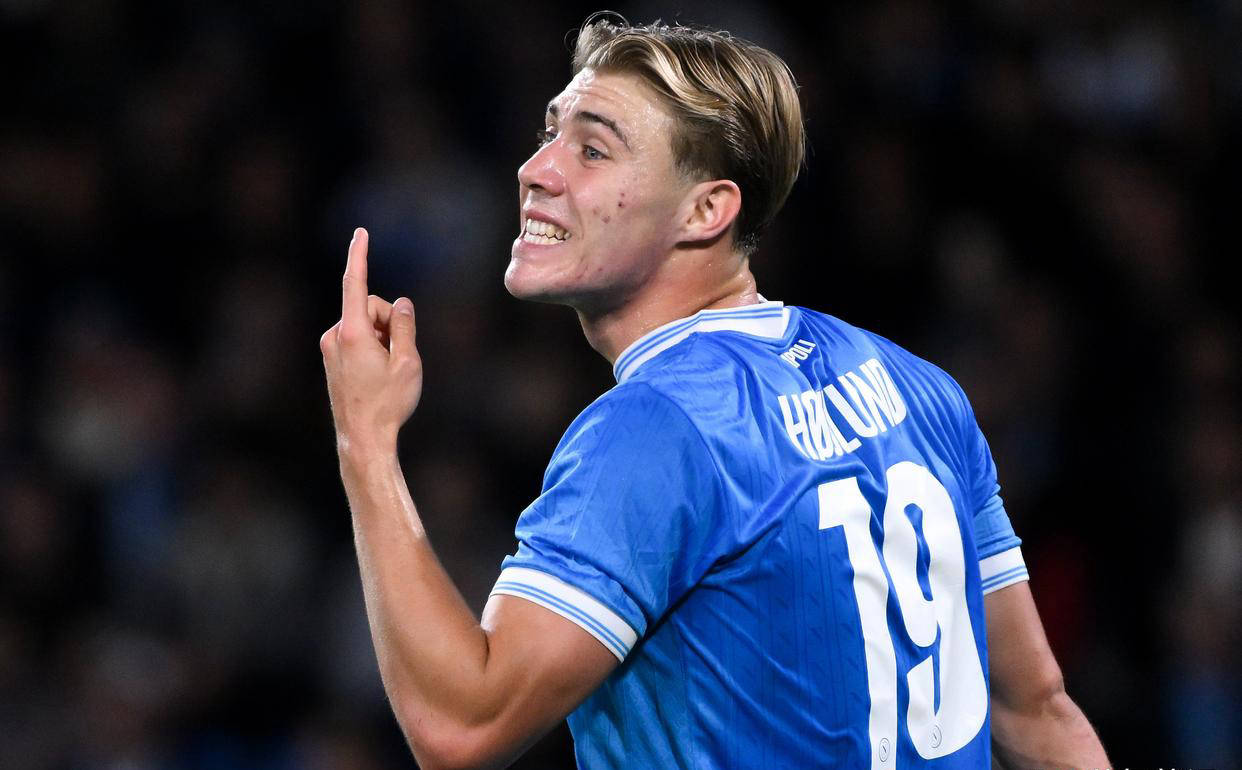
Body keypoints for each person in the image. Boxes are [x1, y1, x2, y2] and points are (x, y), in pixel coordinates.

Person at [319, 14, 1112, 770]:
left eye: (592, 150)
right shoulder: (920, 388)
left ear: (705, 210)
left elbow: (462, 728)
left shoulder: (656, 428)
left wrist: (366, 439)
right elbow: (1036, 714)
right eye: (548, 134)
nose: (537, 170)